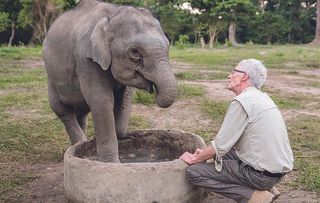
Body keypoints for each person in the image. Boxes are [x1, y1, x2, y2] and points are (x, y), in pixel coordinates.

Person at [180, 59, 294, 203]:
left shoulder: (242, 102)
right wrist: (206, 155)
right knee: (222, 155)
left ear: (244, 76)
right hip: (276, 173)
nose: (229, 75)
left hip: (260, 176)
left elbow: (220, 145)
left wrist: (195, 159)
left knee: (194, 173)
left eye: (233, 72)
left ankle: (256, 197)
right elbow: (224, 147)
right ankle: (269, 189)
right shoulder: (262, 98)